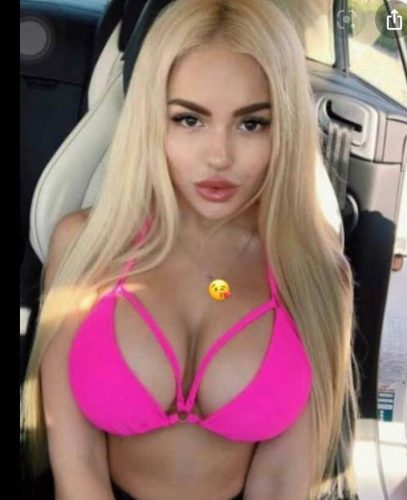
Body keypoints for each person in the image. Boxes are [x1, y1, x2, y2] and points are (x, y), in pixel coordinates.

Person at [21, 0, 360, 498]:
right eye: (188, 120)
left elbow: (282, 482)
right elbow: (78, 464)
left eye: (251, 123)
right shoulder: (84, 246)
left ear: (285, 127)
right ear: (151, 120)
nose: (219, 156)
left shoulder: (314, 269)